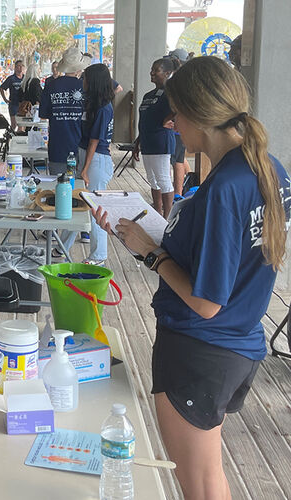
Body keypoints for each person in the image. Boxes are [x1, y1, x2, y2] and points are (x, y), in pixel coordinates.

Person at [92, 56, 291, 500]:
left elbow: (206, 301)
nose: (171, 122)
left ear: (200, 116)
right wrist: (147, 235)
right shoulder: (269, 168)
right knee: (208, 476)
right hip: (239, 343)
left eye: (176, 112)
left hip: (200, 350)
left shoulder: (224, 187)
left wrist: (152, 254)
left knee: (198, 487)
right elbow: (233, 253)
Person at [55, 64, 115, 266]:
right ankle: (62, 245)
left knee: (95, 208)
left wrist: (85, 168)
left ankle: (99, 255)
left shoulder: (103, 108)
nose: (83, 81)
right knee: (78, 203)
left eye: (86, 78)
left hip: (97, 160)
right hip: (86, 156)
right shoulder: (91, 103)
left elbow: (95, 141)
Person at [134, 57, 179, 218]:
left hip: (161, 142)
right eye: (152, 69)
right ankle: (157, 213)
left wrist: (169, 119)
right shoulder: (149, 95)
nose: (152, 73)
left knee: (163, 180)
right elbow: (146, 119)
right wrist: (138, 142)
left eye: (156, 70)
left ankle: (167, 217)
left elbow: (180, 107)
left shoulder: (171, 94)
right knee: (152, 180)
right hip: (147, 142)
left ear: (167, 73)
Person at [40, 48, 91, 175]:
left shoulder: (51, 85)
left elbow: (43, 114)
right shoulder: (84, 87)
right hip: (81, 144)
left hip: (57, 145)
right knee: (79, 190)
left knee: (58, 187)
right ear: (79, 68)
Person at [167, 50, 191, 198]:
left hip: (177, 128)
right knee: (179, 159)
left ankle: (177, 193)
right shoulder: (180, 79)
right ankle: (185, 187)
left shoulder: (180, 81)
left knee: (177, 161)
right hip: (177, 127)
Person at [0, 60, 24, 125]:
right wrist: (5, 99)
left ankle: (19, 135)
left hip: (23, 104)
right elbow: (1, 88)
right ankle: (12, 134)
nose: (20, 68)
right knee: (14, 124)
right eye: (18, 66)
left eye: (22, 66)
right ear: (15, 67)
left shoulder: (25, 78)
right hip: (13, 104)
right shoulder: (11, 78)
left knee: (21, 125)